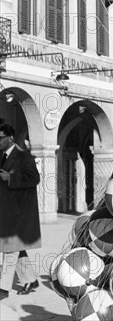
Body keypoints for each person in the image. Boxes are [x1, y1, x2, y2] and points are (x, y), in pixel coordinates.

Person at [0, 123, 41, 300]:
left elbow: (35, 179)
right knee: (15, 248)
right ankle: (30, 280)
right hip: (5, 210)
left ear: (10, 138)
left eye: (0, 137)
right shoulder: (1, 156)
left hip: (20, 212)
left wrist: (11, 178)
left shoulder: (24, 157)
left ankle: (2, 288)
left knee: (9, 249)